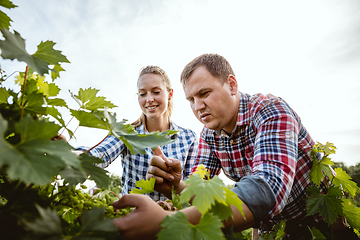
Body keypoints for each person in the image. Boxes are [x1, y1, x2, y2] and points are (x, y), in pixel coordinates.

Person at [111, 54, 357, 239]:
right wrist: (176, 186)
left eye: (204, 93)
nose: (198, 107)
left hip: (325, 218)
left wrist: (167, 222)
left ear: (231, 85)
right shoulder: (208, 135)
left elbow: (267, 185)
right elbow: (200, 193)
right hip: (273, 225)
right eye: (191, 100)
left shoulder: (270, 111)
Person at [77, 65, 198, 201]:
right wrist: (70, 154)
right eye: (142, 94)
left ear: (169, 94)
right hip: (132, 216)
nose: (149, 99)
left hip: (173, 219)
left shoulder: (189, 138)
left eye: (156, 92)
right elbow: (99, 155)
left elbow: (192, 187)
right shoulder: (127, 132)